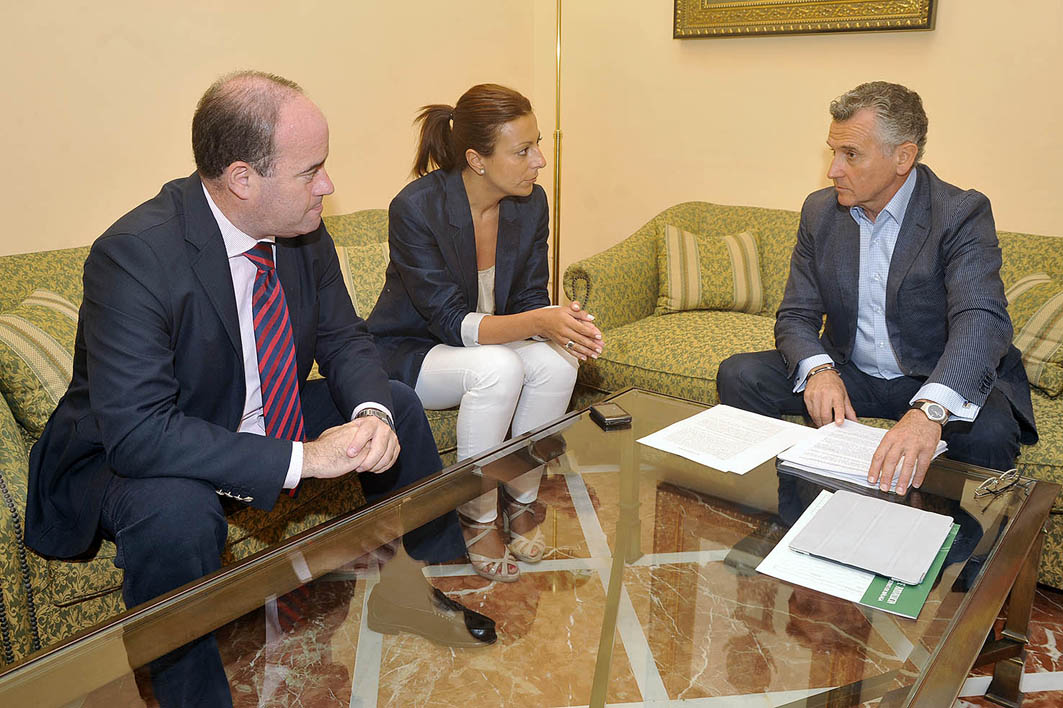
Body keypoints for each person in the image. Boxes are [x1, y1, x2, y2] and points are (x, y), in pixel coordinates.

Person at [23, 71, 488, 707]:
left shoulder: (301, 230)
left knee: (399, 407)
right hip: (136, 449)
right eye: (311, 170)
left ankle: (429, 586)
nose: (328, 185)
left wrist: (371, 412)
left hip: (256, 412)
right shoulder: (133, 256)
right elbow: (137, 434)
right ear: (243, 179)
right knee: (175, 514)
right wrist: (307, 457)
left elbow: (346, 339)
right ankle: (188, 696)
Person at [717, 81, 1037, 495]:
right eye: (834, 152)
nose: (833, 169)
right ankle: (779, 506)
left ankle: (961, 553)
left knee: (990, 431)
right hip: (850, 371)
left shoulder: (959, 213)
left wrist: (930, 410)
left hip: (932, 373)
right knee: (741, 374)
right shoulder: (821, 211)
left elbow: (981, 319)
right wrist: (819, 369)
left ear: (902, 157)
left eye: (850, 154)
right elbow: (796, 314)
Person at [367, 84, 602, 582]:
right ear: (476, 159)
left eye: (537, 144)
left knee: (560, 360)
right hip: (414, 350)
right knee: (499, 368)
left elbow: (528, 298)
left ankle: (522, 499)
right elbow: (448, 321)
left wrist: (561, 325)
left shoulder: (528, 204)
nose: (540, 160)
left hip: (484, 344)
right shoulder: (415, 208)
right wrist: (540, 322)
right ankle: (479, 517)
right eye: (523, 150)